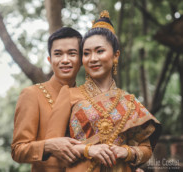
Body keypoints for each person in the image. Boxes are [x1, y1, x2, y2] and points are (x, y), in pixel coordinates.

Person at [45, 11, 161, 172]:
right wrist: (88, 149)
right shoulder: (69, 94)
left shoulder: (129, 101)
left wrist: (126, 152)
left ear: (115, 55)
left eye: (100, 51)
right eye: (86, 53)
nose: (92, 58)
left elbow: (146, 149)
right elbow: (52, 145)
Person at [11, 27, 83, 172]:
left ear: (82, 59)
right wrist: (48, 146)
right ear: (50, 60)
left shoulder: (87, 98)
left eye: (72, 54)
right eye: (58, 54)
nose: (65, 60)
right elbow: (17, 150)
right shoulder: (32, 94)